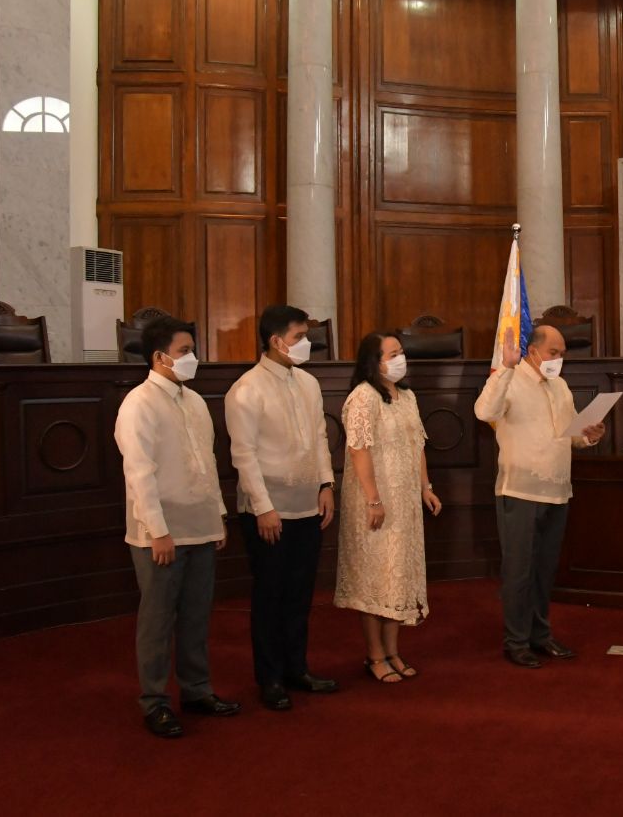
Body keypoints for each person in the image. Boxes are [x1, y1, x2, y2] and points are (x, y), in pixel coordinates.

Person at [114, 316, 240, 738]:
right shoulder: (139, 403)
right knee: (158, 619)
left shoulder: (196, 401)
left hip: (200, 524)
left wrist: (217, 514)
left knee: (196, 615)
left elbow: (207, 463)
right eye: (185, 351)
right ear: (159, 357)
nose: (192, 358)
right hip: (161, 532)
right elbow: (139, 473)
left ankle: (197, 689)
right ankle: (154, 701)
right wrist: (157, 530)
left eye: (192, 350)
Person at [473, 324, 606, 668]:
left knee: (545, 570)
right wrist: (505, 368)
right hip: (521, 489)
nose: (558, 359)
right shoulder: (510, 380)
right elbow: (484, 412)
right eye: (553, 353)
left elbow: (571, 434)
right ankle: (516, 641)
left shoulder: (560, 385)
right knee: (519, 570)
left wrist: (589, 435)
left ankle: (540, 635)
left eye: (562, 354)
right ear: (532, 351)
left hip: (558, 490)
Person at [225, 305, 337, 711]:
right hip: (268, 511)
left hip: (307, 504)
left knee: (300, 593)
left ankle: (296, 668)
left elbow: (320, 437)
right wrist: (263, 508)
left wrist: (326, 484)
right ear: (276, 341)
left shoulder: (308, 382)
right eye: (299, 337)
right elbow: (244, 455)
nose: (307, 344)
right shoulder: (246, 390)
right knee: (270, 595)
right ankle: (270, 678)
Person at [334, 332, 442, 683]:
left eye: (401, 352)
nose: (400, 359)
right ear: (374, 361)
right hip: (374, 501)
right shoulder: (362, 397)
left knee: (398, 577)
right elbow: (358, 449)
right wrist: (373, 499)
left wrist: (425, 487)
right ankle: (375, 655)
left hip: (404, 501)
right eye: (392, 354)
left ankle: (393, 651)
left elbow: (418, 444)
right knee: (374, 579)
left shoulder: (407, 396)